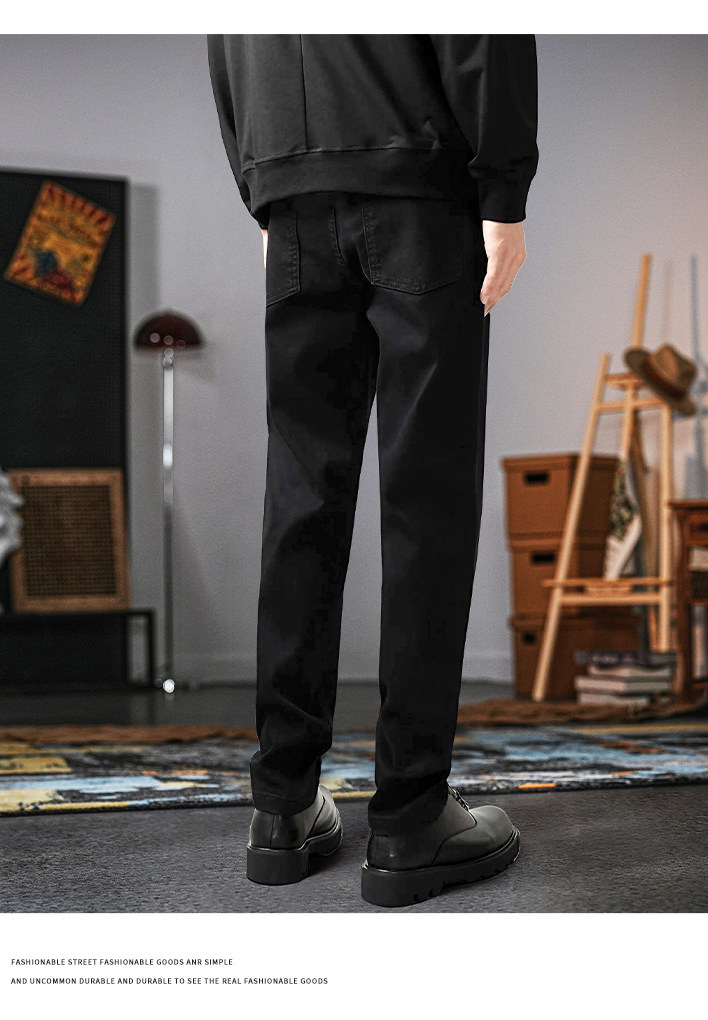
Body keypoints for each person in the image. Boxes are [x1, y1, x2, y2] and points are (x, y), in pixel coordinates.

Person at [207, 34, 538, 907]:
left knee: (301, 500)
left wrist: (264, 185)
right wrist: (504, 192)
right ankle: (411, 819)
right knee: (426, 500)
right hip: (418, 185)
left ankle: (281, 807)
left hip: (289, 190)